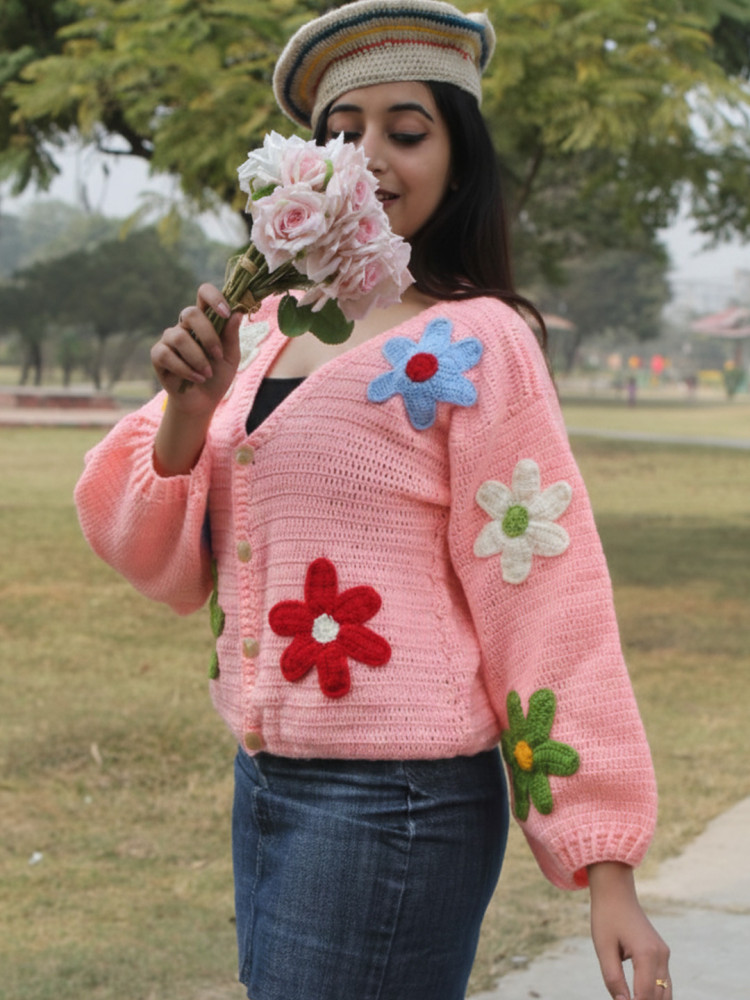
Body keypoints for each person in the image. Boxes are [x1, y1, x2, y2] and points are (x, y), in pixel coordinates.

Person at [74, 2, 673, 999]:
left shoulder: (475, 342)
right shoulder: (263, 326)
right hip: (263, 780)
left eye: (408, 129)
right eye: (343, 134)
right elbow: (153, 555)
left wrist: (605, 864)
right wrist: (190, 409)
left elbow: (546, 596)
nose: (373, 158)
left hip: (399, 800)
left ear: (458, 153)